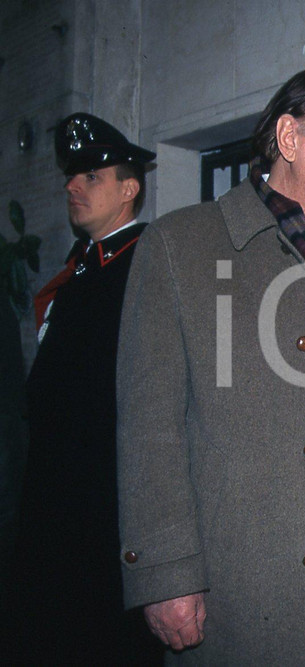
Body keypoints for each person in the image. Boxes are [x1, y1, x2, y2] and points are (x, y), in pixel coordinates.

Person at [116, 67, 305, 664]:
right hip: (249, 575)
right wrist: (164, 571)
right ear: (290, 139)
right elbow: (148, 428)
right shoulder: (181, 247)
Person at [4, 113, 163, 663]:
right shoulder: (78, 269)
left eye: (91, 176)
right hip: (52, 512)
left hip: (105, 521)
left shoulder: (149, 267)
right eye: (73, 175)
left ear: (129, 188)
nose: (73, 185)